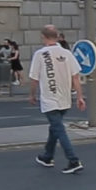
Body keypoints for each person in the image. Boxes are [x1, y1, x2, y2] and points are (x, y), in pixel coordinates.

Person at [29, 24, 86, 174]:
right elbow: (76, 77)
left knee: (59, 129)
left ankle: (73, 160)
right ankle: (47, 156)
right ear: (57, 37)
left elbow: (34, 79)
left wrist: (32, 95)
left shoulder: (40, 54)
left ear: (43, 37)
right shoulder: (67, 53)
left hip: (49, 99)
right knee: (55, 127)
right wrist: (80, 96)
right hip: (65, 98)